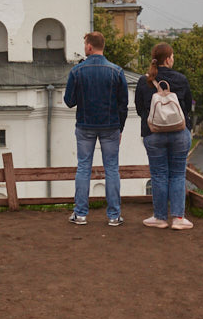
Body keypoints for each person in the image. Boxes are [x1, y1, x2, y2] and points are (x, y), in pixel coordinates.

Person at [63, 31, 129, 227]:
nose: (84, 48)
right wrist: (120, 129)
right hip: (111, 127)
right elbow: (123, 104)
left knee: (84, 167)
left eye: (85, 44)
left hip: (85, 125)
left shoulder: (77, 71)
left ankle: (81, 214)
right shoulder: (116, 71)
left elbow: (69, 101)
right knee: (112, 169)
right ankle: (114, 216)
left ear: (90, 47)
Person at [135, 42, 195, 230]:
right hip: (179, 133)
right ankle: (178, 218)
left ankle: (160, 218)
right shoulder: (181, 79)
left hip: (153, 134)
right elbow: (188, 105)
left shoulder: (144, 81)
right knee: (177, 174)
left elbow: (139, 109)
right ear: (168, 59)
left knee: (159, 175)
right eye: (173, 56)